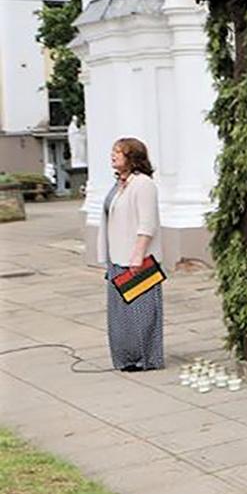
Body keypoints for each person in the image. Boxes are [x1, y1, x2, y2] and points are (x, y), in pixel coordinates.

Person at [100, 137, 164, 371]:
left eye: (119, 152)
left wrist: (137, 255)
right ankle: (126, 359)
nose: (113, 155)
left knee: (141, 312)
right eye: (113, 151)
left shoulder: (143, 184)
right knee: (121, 316)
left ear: (133, 157)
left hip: (137, 260)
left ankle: (144, 359)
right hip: (117, 257)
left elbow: (147, 224)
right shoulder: (119, 184)